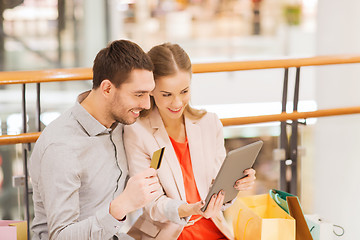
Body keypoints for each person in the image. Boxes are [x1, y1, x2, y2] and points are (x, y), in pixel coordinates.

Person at [29, 40, 162, 240]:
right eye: (139, 94)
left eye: (149, 94)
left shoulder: (119, 122)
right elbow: (59, 237)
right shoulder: (61, 147)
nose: (146, 104)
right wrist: (120, 207)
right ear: (107, 89)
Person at [123, 43, 256, 239]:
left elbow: (219, 190)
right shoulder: (137, 132)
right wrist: (190, 209)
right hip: (170, 234)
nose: (177, 103)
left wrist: (236, 184)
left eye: (184, 92)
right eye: (167, 94)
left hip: (214, 231)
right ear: (150, 89)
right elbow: (152, 205)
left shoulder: (209, 123)